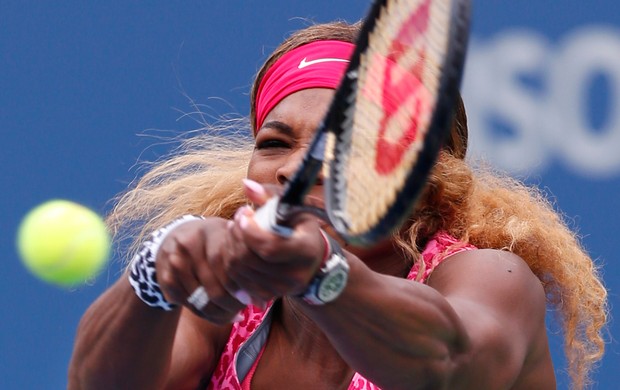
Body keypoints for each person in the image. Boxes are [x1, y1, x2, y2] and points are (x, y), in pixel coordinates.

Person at [68, 21, 607, 390]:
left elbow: (448, 366)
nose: (298, 168)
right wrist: (155, 275)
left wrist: (321, 275)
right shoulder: (229, 290)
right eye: (275, 143)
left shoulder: (494, 278)